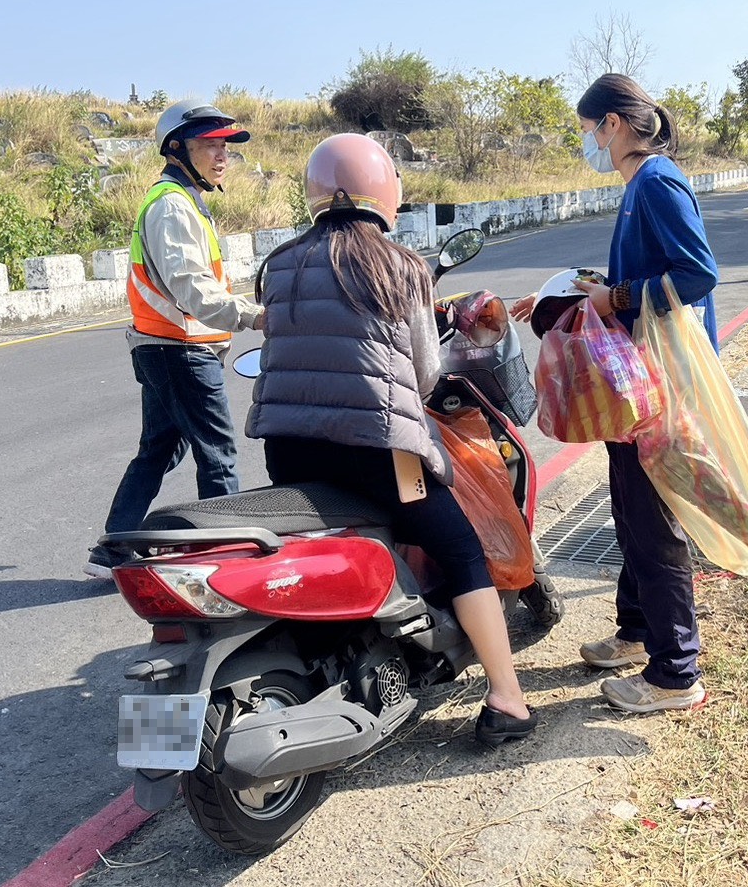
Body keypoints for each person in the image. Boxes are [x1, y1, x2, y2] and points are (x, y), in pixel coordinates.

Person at [246, 133, 535, 746]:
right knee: (459, 549)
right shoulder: (398, 265)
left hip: (288, 448)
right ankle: (508, 699)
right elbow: (426, 375)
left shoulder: (279, 266)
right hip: (380, 450)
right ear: (383, 194)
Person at [511, 73, 716, 714]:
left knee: (650, 520)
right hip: (635, 374)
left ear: (615, 125)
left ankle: (675, 673)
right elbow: (635, 275)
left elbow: (697, 273)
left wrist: (615, 296)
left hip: (659, 377)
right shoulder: (639, 186)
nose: (587, 144)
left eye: (588, 131)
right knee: (629, 507)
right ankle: (636, 632)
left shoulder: (656, 181)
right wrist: (572, 294)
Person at [86, 98, 264, 579]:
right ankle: (227, 560)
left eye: (225, 145)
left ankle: (113, 550)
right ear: (176, 149)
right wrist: (256, 316)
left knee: (160, 450)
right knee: (219, 454)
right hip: (181, 349)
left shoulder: (184, 201)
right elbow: (191, 287)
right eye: (208, 144)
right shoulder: (171, 205)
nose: (222, 155)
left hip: (166, 347)